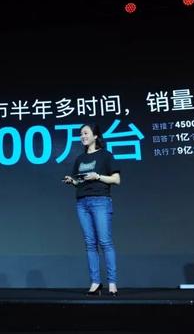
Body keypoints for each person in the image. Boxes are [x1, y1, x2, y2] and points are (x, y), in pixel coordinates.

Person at [62, 123, 121, 296]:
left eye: (86, 133)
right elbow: (79, 181)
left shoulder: (106, 155)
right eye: (81, 134)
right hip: (82, 202)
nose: (83, 136)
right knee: (90, 243)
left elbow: (116, 180)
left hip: (100, 200)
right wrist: (72, 181)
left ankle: (112, 284)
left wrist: (98, 176)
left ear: (95, 136)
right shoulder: (79, 159)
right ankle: (95, 283)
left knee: (105, 242)